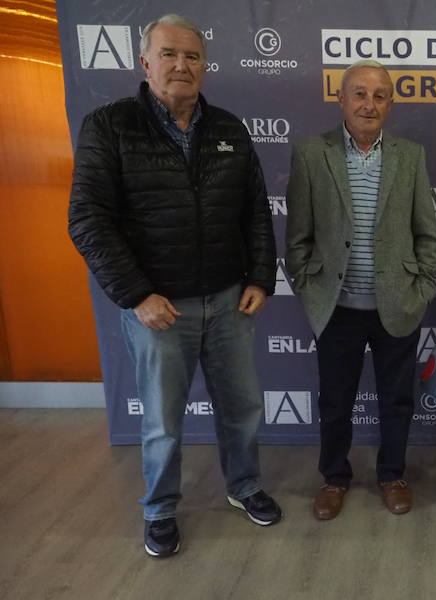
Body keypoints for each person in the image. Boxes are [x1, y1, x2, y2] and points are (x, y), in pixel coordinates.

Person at [68, 14, 281, 558]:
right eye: (169, 55)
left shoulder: (229, 128)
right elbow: (88, 219)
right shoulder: (109, 126)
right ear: (145, 62)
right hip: (157, 308)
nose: (181, 66)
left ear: (205, 67)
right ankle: (160, 509)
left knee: (242, 407)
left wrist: (260, 274)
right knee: (163, 421)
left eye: (191, 57)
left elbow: (255, 210)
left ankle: (245, 486)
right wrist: (137, 293)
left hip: (231, 301)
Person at [285, 59, 436, 521]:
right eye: (359, 93)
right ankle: (334, 478)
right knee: (335, 401)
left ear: (390, 103)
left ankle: (392, 474)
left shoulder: (410, 155)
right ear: (342, 98)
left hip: (396, 305)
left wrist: (421, 287)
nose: (369, 104)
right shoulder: (312, 153)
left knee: (397, 399)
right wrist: (309, 288)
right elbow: (298, 237)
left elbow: (426, 233)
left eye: (379, 95)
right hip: (336, 308)